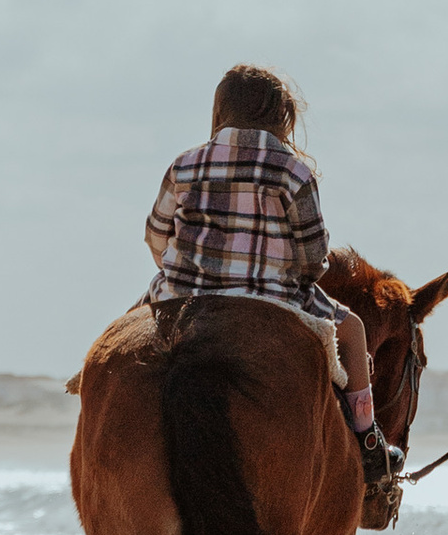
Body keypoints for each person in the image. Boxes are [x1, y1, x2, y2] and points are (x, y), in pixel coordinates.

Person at [144, 62, 402, 499]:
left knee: (122, 339)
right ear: (281, 116)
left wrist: (186, 271)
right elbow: (313, 257)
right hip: (272, 300)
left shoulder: (185, 163)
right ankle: (369, 441)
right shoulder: (294, 171)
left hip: (184, 296)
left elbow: (155, 235)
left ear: (221, 109)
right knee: (355, 330)